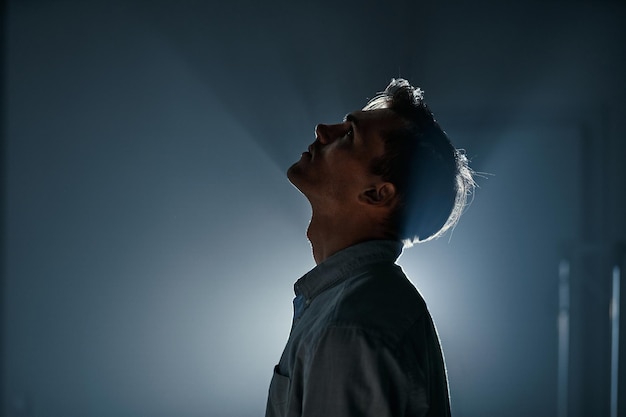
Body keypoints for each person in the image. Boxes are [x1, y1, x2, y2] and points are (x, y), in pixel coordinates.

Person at [265, 78, 474, 417]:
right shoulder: (357, 306)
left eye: (349, 135)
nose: (322, 130)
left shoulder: (351, 326)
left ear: (378, 194)